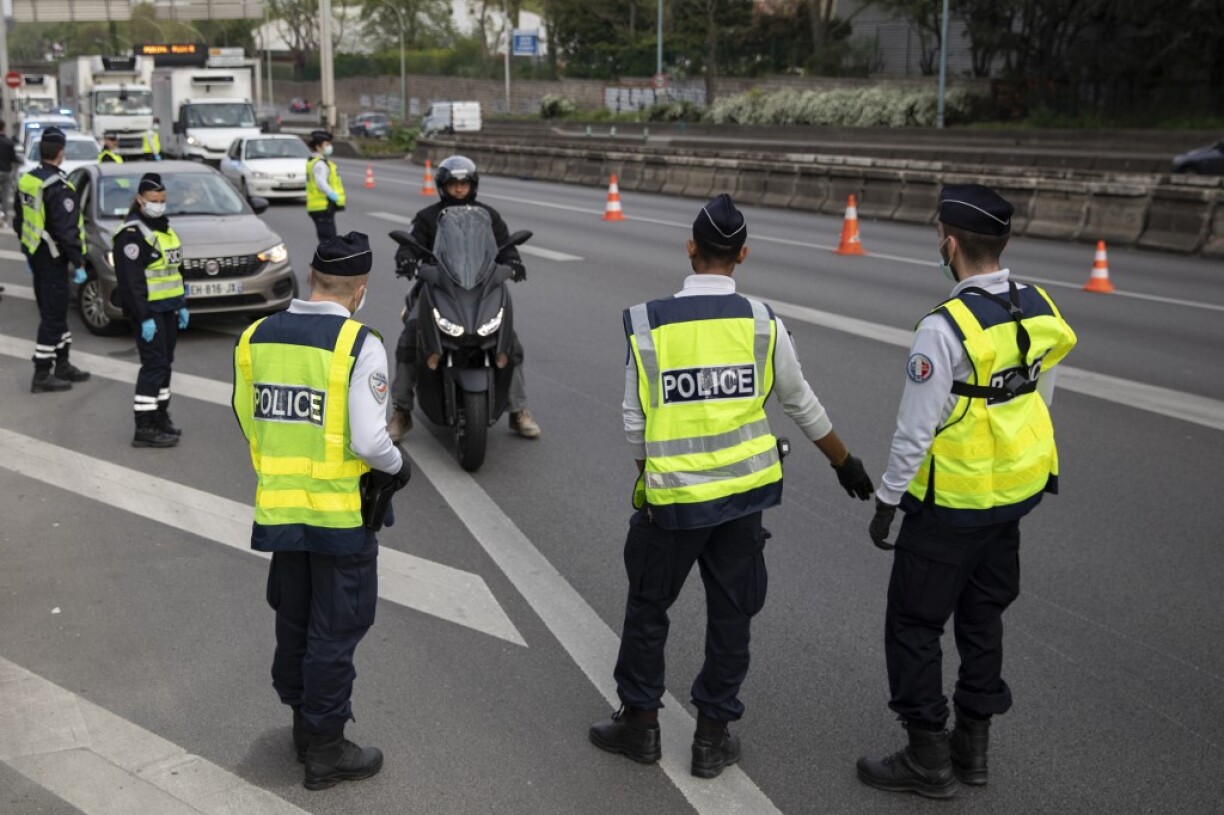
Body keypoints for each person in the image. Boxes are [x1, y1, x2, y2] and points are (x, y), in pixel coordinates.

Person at [589, 194, 876, 779]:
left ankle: (640, 725)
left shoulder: (649, 322)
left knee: (649, 606)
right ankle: (712, 738)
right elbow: (800, 402)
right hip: (743, 500)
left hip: (672, 501)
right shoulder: (762, 322)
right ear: (742, 254)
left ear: (691, 248)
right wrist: (844, 462)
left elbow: (633, 417)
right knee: (731, 614)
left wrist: (651, 477)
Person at [856, 185, 1078, 799]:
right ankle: (973, 749)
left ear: (949, 244)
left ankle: (927, 754)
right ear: (1001, 244)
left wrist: (888, 500)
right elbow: (1039, 394)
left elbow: (915, 427)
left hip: (949, 503)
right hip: (1012, 493)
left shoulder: (944, 326)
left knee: (914, 622)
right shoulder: (1037, 306)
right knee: (982, 618)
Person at [232, 232, 411, 792]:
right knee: (335, 632)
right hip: (338, 518)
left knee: (295, 621)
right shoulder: (360, 344)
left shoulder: (256, 336)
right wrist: (398, 465)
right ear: (359, 290)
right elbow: (368, 438)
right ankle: (327, 751)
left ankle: (303, 728)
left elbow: (246, 416)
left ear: (313, 278)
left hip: (281, 510)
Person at [388, 155, 540, 440]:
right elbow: (409, 246)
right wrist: (407, 260)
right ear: (443, 186)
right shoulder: (427, 217)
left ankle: (518, 410)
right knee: (409, 340)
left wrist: (514, 263)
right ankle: (401, 411)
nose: (459, 189)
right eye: (453, 184)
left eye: (464, 183)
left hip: (481, 289)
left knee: (510, 343)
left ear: (473, 185)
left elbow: (505, 247)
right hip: (438, 287)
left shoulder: (488, 215)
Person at [112, 172, 187, 448]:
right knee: (153, 366)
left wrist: (181, 304)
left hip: (168, 309)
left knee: (165, 365)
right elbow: (131, 283)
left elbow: (175, 269)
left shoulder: (164, 229)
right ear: (140, 200)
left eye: (162, 200)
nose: (159, 205)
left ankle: (159, 416)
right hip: (149, 314)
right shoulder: (131, 235)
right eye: (154, 200)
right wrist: (143, 317)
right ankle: (144, 427)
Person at [13, 126, 90, 393]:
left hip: (37, 255)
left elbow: (19, 221)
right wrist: (79, 261)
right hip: (53, 259)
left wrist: (28, 251)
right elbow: (67, 231)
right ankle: (42, 373)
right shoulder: (58, 186)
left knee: (54, 312)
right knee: (53, 317)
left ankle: (64, 364)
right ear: (60, 152)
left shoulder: (28, 181)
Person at [305, 130, 344, 241]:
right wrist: (332, 194)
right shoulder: (320, 164)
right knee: (329, 241)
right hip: (322, 206)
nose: (329, 147)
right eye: (326, 144)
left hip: (319, 207)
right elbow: (320, 182)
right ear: (318, 146)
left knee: (326, 240)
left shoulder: (315, 161)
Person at [0, 120, 17, 228]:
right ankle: (4, 218)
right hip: (6, 172)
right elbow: (13, 158)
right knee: (5, 196)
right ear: (4, 128)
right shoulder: (9, 142)